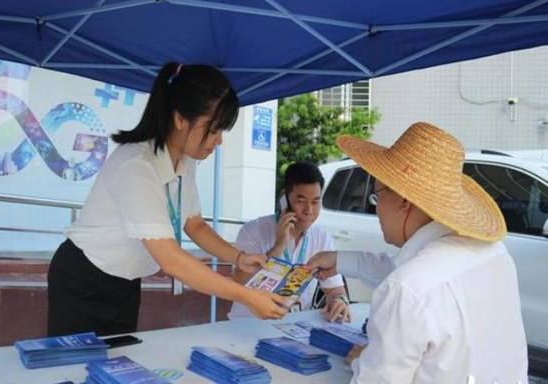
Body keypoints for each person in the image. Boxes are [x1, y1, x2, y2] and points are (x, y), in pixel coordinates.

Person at [47, 63, 287, 337]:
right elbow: (171, 261)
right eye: (213, 129)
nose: (218, 140)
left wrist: (239, 257)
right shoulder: (136, 166)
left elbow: (194, 224)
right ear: (180, 119)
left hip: (125, 280)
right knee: (71, 373)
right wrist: (246, 295)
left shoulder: (185, 162)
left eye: (222, 131)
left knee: (116, 370)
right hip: (83, 280)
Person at [305, 122, 528, 384]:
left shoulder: (407, 287)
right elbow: (409, 274)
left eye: (375, 197)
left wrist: (363, 363)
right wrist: (340, 261)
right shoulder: (494, 253)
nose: (374, 209)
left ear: (404, 201)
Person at [228, 162, 350, 322]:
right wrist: (280, 244)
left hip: (293, 327)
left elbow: (334, 289)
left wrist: (339, 300)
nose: (309, 210)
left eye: (315, 201)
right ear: (284, 200)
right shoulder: (254, 230)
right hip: (249, 325)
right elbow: (239, 281)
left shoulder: (322, 239)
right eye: (301, 201)